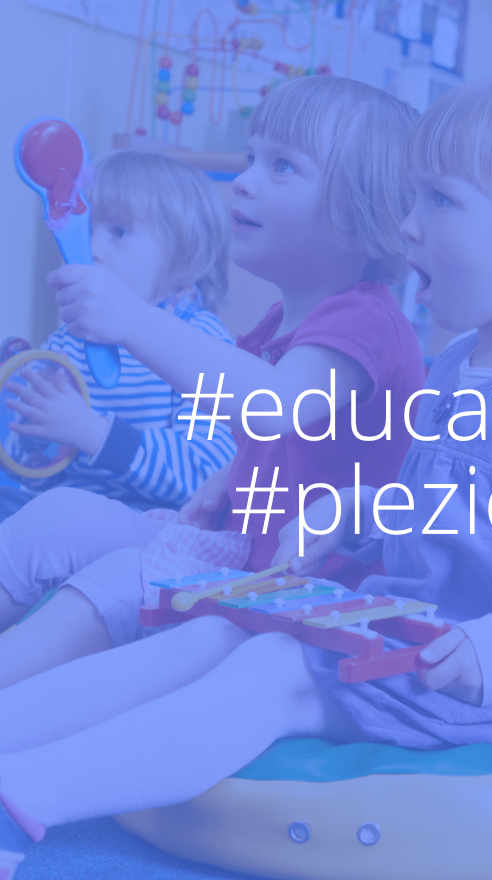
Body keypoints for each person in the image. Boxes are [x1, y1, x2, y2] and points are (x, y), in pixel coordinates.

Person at [0, 74, 492, 876]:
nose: (408, 225)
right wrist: (356, 510)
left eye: (439, 200)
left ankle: (25, 797)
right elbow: (447, 504)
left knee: (275, 671)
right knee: (223, 633)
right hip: (416, 627)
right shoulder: (460, 361)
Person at [0, 75, 424, 688]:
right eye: (252, 158)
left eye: (282, 166)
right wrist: (229, 474)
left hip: (303, 599)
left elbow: (272, 406)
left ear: (361, 216)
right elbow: (292, 437)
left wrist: (130, 318)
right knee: (64, 514)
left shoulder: (368, 319)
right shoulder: (280, 323)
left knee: (122, 578)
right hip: (238, 557)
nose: (245, 180)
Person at [0, 150, 236, 523]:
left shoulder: (199, 342)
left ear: (185, 257)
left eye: (119, 232)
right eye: (84, 230)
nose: (91, 250)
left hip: (149, 523)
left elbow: (206, 476)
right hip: (58, 515)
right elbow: (28, 472)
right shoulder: (66, 341)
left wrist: (95, 433)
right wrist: (37, 432)